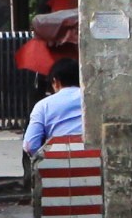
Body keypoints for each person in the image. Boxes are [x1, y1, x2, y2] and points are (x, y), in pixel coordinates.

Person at [22, 54, 85, 182]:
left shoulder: (43, 106)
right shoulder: (93, 99)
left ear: (56, 81)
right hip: (92, 162)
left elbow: (30, 146)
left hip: (56, 170)